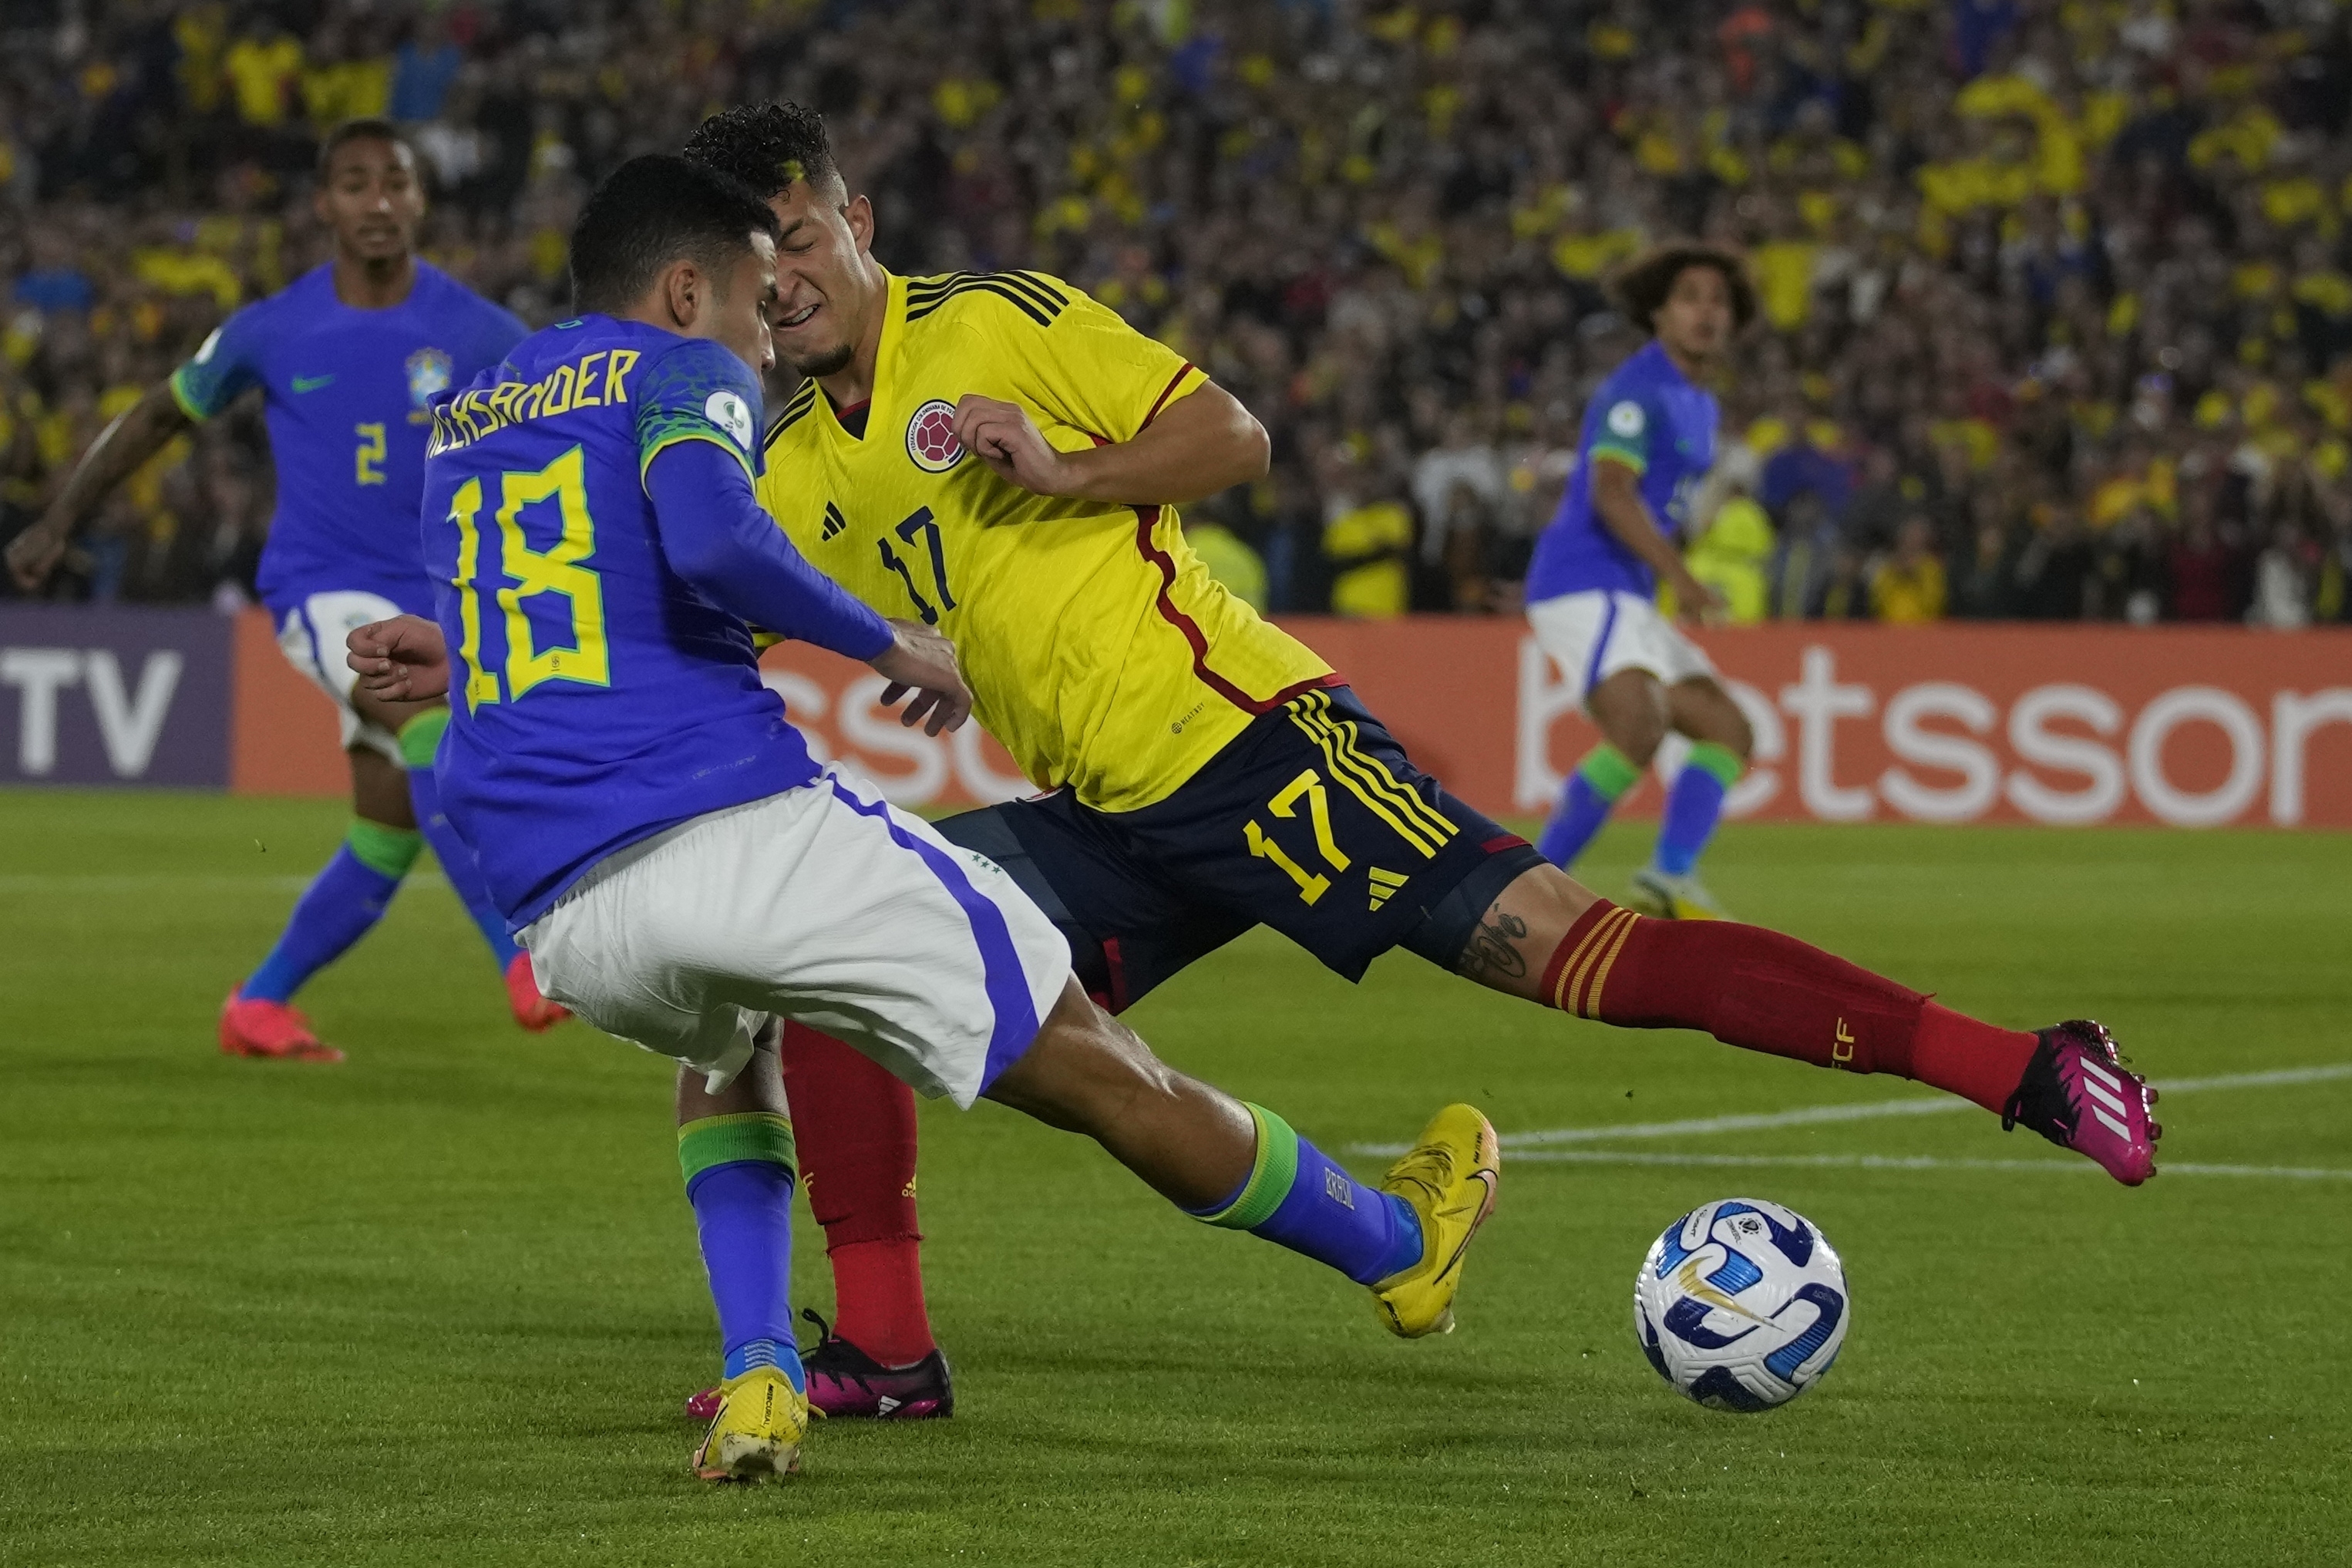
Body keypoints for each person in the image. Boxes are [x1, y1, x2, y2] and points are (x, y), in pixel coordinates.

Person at [678, 102, 2159, 1416]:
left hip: (1256, 746)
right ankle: (889, 1350)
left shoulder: (995, 319)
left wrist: (1074, 468)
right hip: (1103, 816)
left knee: (1590, 957)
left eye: (802, 236)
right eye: (760, 261)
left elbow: (1229, 436)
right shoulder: (799, 461)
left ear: (857, 221)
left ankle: (2024, 1066)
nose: (786, 279)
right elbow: (776, 607)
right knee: (848, 966)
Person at [351, 153, 1502, 1482]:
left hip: (564, 909)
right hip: (733, 830)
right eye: (745, 292)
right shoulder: (680, 368)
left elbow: (567, 580)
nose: (764, 322)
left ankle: (763, 1372)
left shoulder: (479, 406)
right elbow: (716, 545)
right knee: (1083, 1050)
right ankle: (1394, 1245)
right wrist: (900, 640)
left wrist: (457, 651)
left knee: (730, 1051)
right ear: (681, 287)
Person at [5, 119, 554, 1062]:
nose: (376, 201)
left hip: (436, 602)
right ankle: (524, 956)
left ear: (421, 200)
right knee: (425, 727)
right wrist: (61, 519)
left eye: (395, 182)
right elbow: (156, 418)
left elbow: (568, 428)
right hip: (320, 591)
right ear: (323, 205)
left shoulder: (479, 330)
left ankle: (257, 1005)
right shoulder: (272, 328)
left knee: (387, 830)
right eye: (354, 183)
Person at [1521, 243, 1758, 920]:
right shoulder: (1637, 390)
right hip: (1581, 580)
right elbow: (1612, 493)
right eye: (1689, 297)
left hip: (1624, 591)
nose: (1706, 312)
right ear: (1657, 313)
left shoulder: (1700, 404)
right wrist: (1681, 577)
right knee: (1638, 724)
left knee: (1728, 730)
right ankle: (1531, 893)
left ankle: (1668, 876)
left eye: (1718, 299)